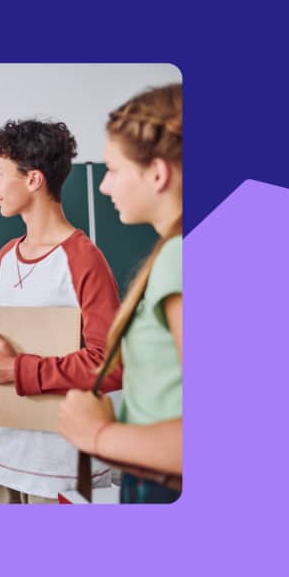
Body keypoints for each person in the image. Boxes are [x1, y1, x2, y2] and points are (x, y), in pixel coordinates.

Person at [0, 119, 122, 504]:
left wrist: (19, 370)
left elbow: (111, 365)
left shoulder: (84, 259)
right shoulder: (6, 256)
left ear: (33, 180)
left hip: (60, 466)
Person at [58, 84, 183, 503]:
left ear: (158, 173)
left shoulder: (179, 257)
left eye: (112, 169)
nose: (104, 187)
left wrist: (96, 433)